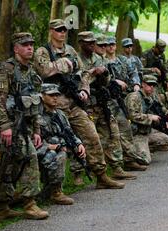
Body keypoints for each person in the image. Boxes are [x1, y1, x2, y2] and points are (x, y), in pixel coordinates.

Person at [33, 19, 124, 189]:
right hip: (53, 108)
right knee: (58, 142)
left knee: (92, 136)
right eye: (59, 29)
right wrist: (64, 64)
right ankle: (52, 188)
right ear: (51, 31)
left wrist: (84, 89)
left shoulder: (70, 50)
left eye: (65, 30)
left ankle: (101, 176)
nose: (62, 32)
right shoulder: (42, 51)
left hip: (73, 103)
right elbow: (44, 71)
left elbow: (83, 74)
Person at [0, 32, 48, 220]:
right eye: (25, 44)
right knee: (24, 158)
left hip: (23, 126)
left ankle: (7, 205)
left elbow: (35, 103)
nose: (29, 48)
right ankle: (28, 203)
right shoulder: (7, 70)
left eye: (31, 44)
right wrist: (4, 126)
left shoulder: (31, 72)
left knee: (13, 163)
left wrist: (36, 130)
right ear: (16, 48)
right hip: (8, 125)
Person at [77, 31, 135, 181]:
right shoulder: (78, 59)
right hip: (86, 104)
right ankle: (79, 172)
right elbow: (78, 80)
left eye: (103, 44)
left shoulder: (99, 59)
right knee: (87, 138)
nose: (101, 47)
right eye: (98, 45)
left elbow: (106, 81)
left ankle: (116, 166)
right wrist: (92, 72)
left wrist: (104, 74)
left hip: (101, 102)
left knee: (113, 133)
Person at [105, 36, 149, 171]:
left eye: (113, 44)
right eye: (108, 45)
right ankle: (116, 162)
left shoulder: (122, 60)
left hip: (123, 98)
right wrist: (115, 81)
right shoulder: (103, 61)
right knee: (113, 132)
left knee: (126, 127)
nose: (111, 47)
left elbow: (133, 71)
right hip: (109, 100)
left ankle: (129, 160)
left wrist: (136, 83)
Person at [38, 83, 85, 205]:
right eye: (51, 95)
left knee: (76, 150)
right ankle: (56, 192)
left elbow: (69, 132)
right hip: (42, 149)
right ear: (42, 96)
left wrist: (78, 144)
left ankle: (50, 190)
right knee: (58, 155)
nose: (55, 98)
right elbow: (33, 139)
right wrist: (51, 147)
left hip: (59, 146)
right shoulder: (36, 115)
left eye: (56, 95)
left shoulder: (59, 114)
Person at [125, 75, 168, 165]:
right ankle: (132, 151)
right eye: (149, 84)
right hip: (136, 133)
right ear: (143, 84)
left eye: (153, 85)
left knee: (166, 140)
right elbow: (132, 116)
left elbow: (161, 107)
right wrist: (151, 117)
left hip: (147, 131)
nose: (152, 87)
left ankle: (144, 148)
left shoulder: (152, 96)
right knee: (145, 160)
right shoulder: (134, 97)